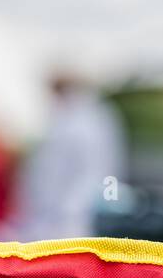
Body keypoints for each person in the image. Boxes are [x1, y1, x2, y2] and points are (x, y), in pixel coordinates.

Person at [19, 70, 126, 241]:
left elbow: (94, 172)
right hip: (57, 217)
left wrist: (71, 211)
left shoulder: (87, 122)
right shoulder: (67, 120)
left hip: (74, 219)